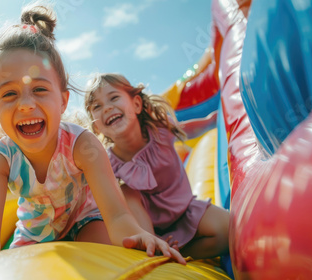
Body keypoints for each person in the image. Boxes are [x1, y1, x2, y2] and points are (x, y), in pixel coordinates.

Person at [0, 4, 185, 277]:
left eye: (40, 90)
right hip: (34, 235)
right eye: (9, 94)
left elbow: (117, 215)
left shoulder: (82, 146)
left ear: (63, 100)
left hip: (87, 220)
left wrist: (137, 235)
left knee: (103, 254)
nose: (25, 105)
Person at [84, 73, 229, 259]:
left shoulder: (159, 131)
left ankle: (178, 252)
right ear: (97, 128)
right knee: (125, 191)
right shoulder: (108, 163)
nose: (107, 108)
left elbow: (186, 130)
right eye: (97, 106)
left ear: (136, 104)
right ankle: (153, 245)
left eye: (114, 98)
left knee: (226, 229)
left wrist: (211, 121)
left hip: (186, 211)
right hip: (148, 227)